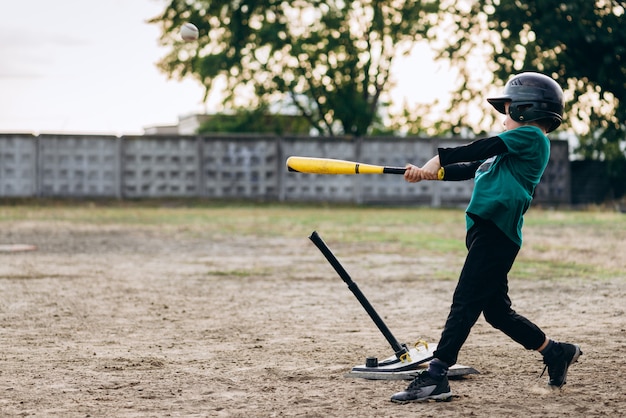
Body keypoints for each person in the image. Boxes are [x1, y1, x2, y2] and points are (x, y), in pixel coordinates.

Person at [391, 72, 582, 403]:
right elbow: (472, 166)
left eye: (507, 109)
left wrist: (439, 157)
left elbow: (484, 145)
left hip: (497, 233)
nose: (503, 118)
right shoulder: (512, 149)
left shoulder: (533, 138)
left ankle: (436, 375)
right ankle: (555, 352)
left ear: (526, 110)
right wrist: (429, 173)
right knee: (495, 311)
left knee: (465, 300)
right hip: (488, 231)